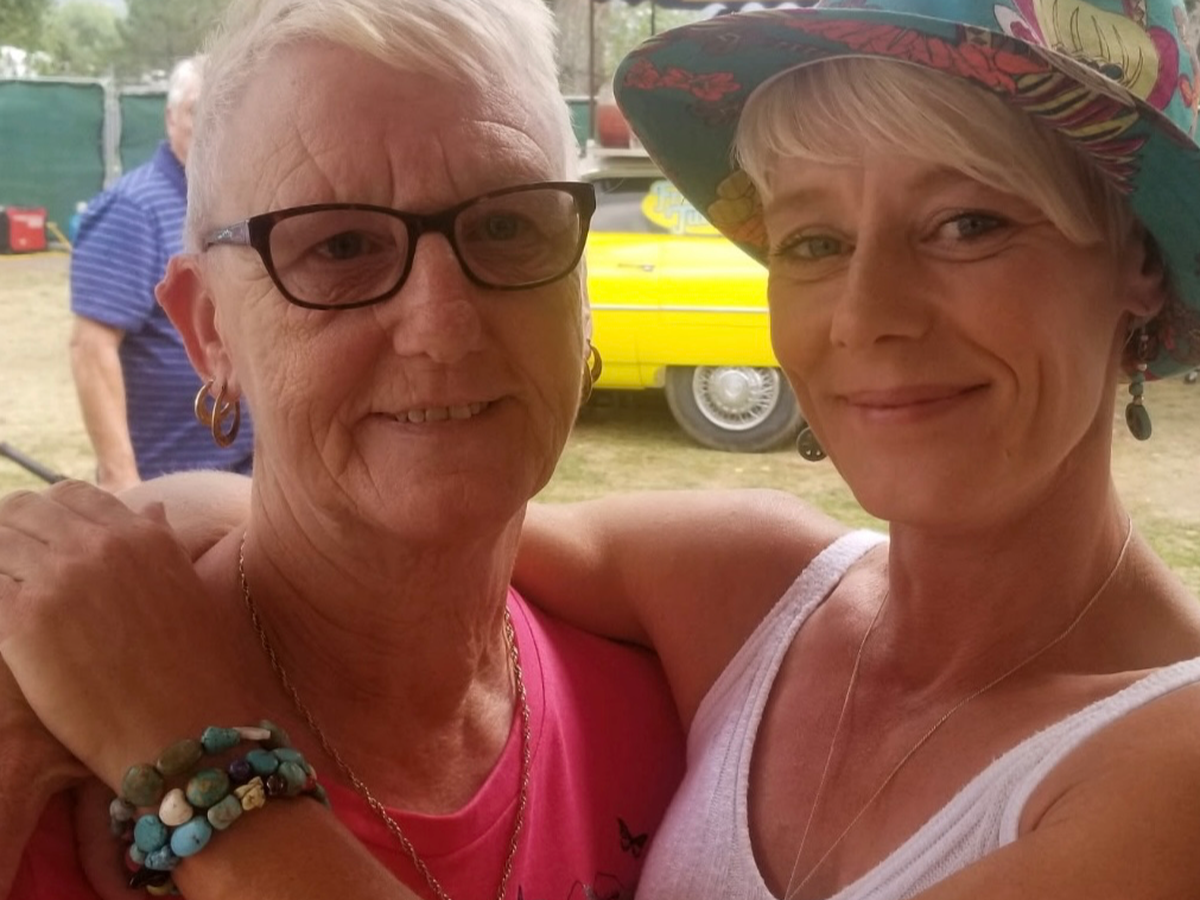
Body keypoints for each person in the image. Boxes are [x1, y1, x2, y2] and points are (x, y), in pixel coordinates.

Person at [8, 1, 1200, 898]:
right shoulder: (751, 593)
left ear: (1138, 260)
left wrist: (197, 764)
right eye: (813, 240)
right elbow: (406, 524)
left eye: (970, 222)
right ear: (208, 328)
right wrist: (91, 561)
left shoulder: (1168, 770)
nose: (870, 313)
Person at [0, 1, 683, 898]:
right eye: (341, 245)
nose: (442, 326)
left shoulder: (682, 720)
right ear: (210, 331)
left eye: (509, 227)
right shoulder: (40, 768)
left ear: (580, 291)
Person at [68, 55, 254, 492]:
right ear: (171, 118)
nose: (212, 126)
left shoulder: (236, 204)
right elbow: (91, 347)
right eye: (197, 110)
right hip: (168, 485)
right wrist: (121, 479)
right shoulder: (133, 209)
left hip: (247, 475)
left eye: (227, 110)